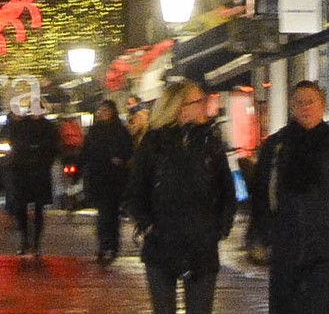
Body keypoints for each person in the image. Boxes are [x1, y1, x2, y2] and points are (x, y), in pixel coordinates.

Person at [250, 83, 329, 314]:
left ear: (322, 106)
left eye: (311, 102)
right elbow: (260, 192)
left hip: (326, 249)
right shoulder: (277, 145)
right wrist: (269, 232)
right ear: (292, 106)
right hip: (286, 247)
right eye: (300, 102)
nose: (305, 108)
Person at [130, 78, 235, 314]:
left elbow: (227, 189)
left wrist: (220, 227)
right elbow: (136, 192)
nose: (204, 106)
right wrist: (148, 226)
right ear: (180, 107)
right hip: (162, 244)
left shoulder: (211, 141)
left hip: (202, 246)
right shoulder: (154, 143)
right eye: (198, 101)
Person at [80, 99, 135, 268]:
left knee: (110, 213)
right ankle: (105, 245)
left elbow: (128, 150)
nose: (103, 113)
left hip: (115, 178)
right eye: (101, 110)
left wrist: (121, 159)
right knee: (104, 213)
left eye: (106, 110)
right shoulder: (95, 131)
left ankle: (111, 245)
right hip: (99, 177)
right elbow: (87, 152)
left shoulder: (120, 131)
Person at [3, 101, 60, 260]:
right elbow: (12, 138)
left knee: (38, 209)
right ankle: (25, 240)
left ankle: (35, 243)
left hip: (39, 172)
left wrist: (44, 161)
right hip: (24, 171)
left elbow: (54, 148)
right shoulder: (23, 125)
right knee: (21, 208)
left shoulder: (48, 127)